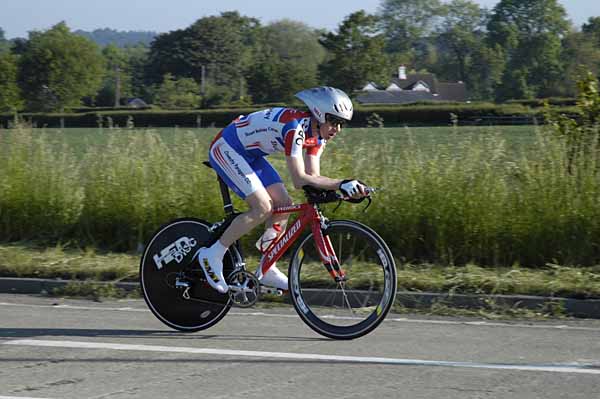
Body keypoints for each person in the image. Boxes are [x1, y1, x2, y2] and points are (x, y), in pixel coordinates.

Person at [197, 86, 368, 293]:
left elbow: (313, 177)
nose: (337, 129)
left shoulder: (318, 137)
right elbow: (299, 179)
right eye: (334, 122)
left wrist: (344, 189)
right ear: (320, 115)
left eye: (342, 124)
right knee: (262, 207)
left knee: (284, 205)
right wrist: (341, 183)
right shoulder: (295, 128)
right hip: (227, 148)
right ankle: (213, 254)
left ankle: (267, 267)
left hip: (251, 155)